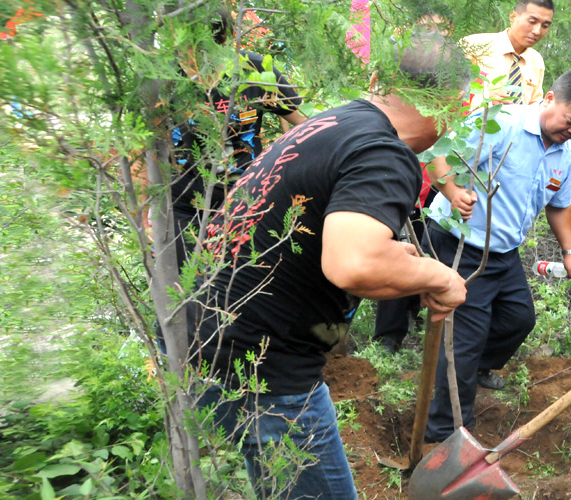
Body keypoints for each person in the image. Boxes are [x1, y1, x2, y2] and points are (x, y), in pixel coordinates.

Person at [186, 31, 471, 499]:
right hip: (263, 366)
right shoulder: (385, 151)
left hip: (205, 335)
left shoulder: (338, 121)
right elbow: (354, 264)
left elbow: (327, 235)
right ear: (451, 107)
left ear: (381, 80)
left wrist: (399, 263)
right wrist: (440, 275)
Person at [422, 66, 571, 442]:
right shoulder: (499, 123)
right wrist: (453, 193)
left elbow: (559, 204)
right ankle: (445, 434)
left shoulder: (565, 153)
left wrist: (569, 251)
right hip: (461, 244)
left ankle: (474, 368)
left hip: (503, 252)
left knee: (518, 318)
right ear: (549, 99)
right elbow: (436, 156)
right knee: (463, 341)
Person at [170, 10, 307, 265]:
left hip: (247, 198)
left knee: (244, 282)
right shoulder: (165, 78)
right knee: (190, 287)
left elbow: (302, 124)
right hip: (185, 204)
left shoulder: (254, 69)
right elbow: (142, 150)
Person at [373, 9, 455, 354]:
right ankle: (387, 337)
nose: (434, 32)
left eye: (441, 28)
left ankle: (412, 320)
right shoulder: (399, 73)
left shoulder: (449, 77)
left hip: (428, 189)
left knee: (418, 250)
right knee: (394, 249)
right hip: (395, 183)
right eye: (428, 26)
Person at [461, 0, 554, 108]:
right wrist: (486, 99)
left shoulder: (536, 61)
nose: (537, 31)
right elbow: (449, 93)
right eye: (532, 22)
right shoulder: (473, 45)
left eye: (545, 25)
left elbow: (534, 105)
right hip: (475, 123)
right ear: (513, 17)